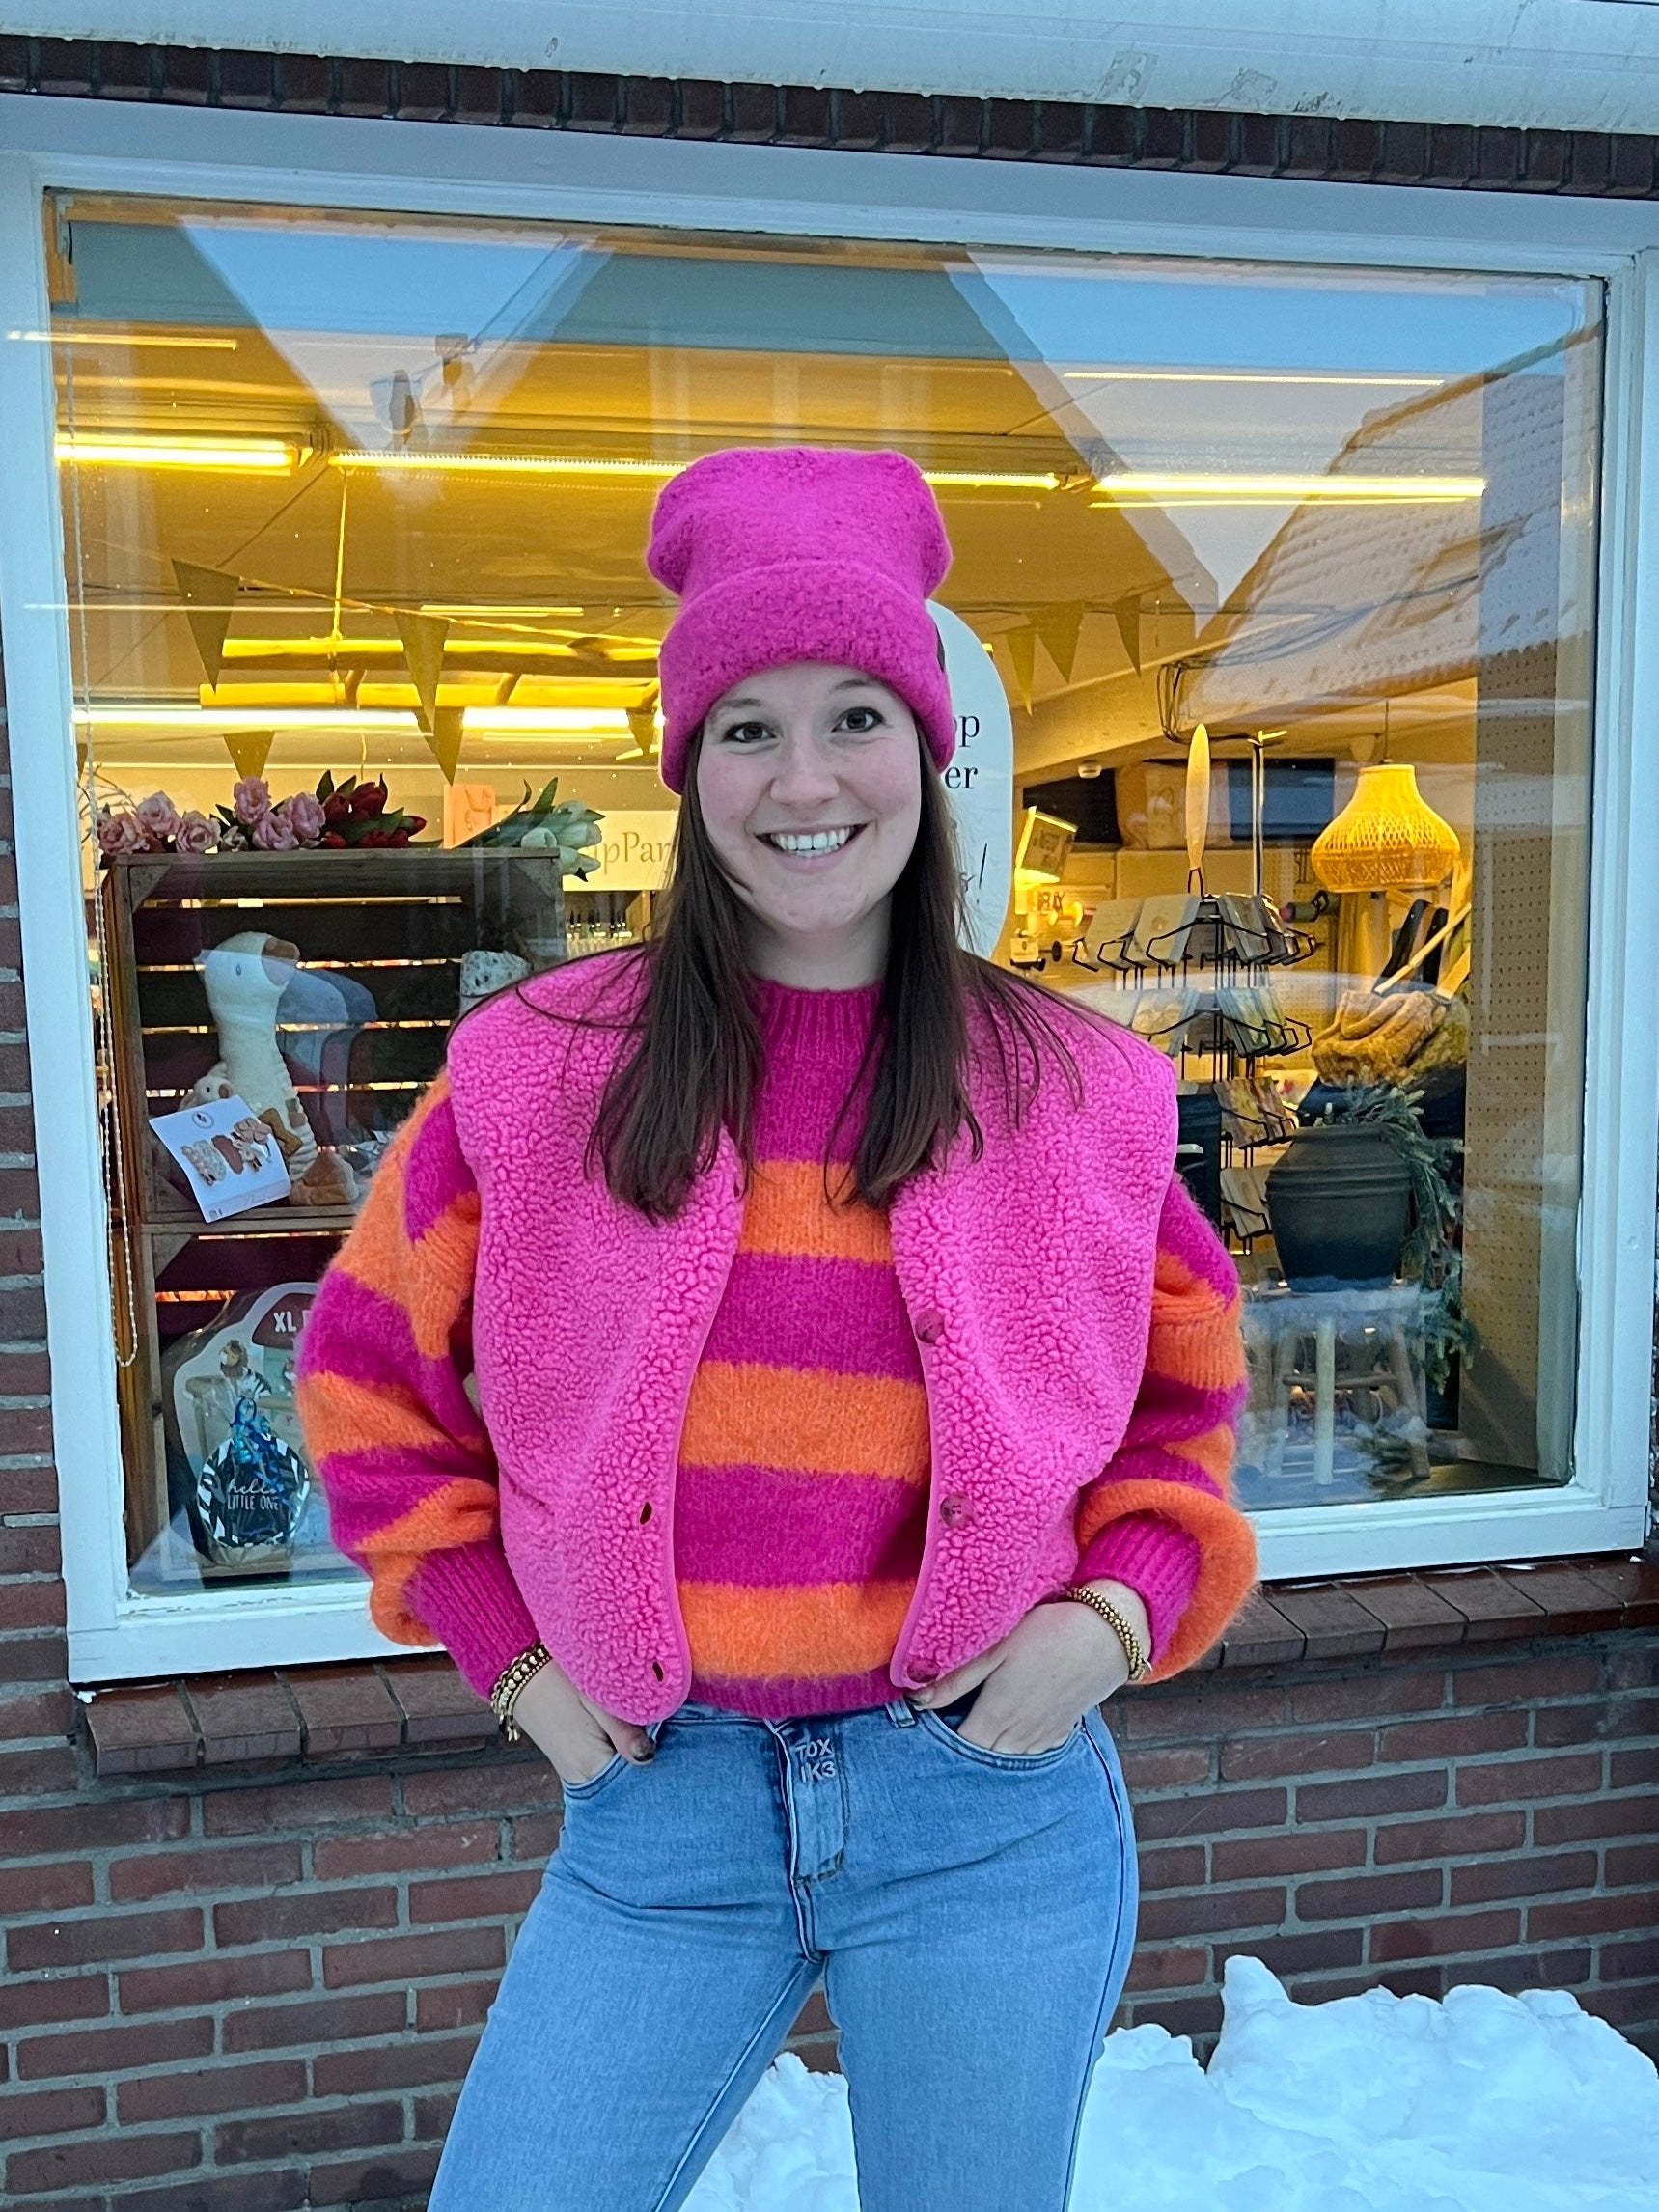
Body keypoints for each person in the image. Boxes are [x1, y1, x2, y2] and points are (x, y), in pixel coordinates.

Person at [296, 447, 1257, 2212]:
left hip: (984, 1817)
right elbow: (366, 1384)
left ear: (928, 753)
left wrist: (1109, 1621)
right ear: (688, 770)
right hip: (664, 1818)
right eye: (746, 728)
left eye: (854, 719)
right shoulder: (537, 1076)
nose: (804, 780)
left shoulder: (1079, 1091)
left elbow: (1182, 1415)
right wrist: (516, 1667)